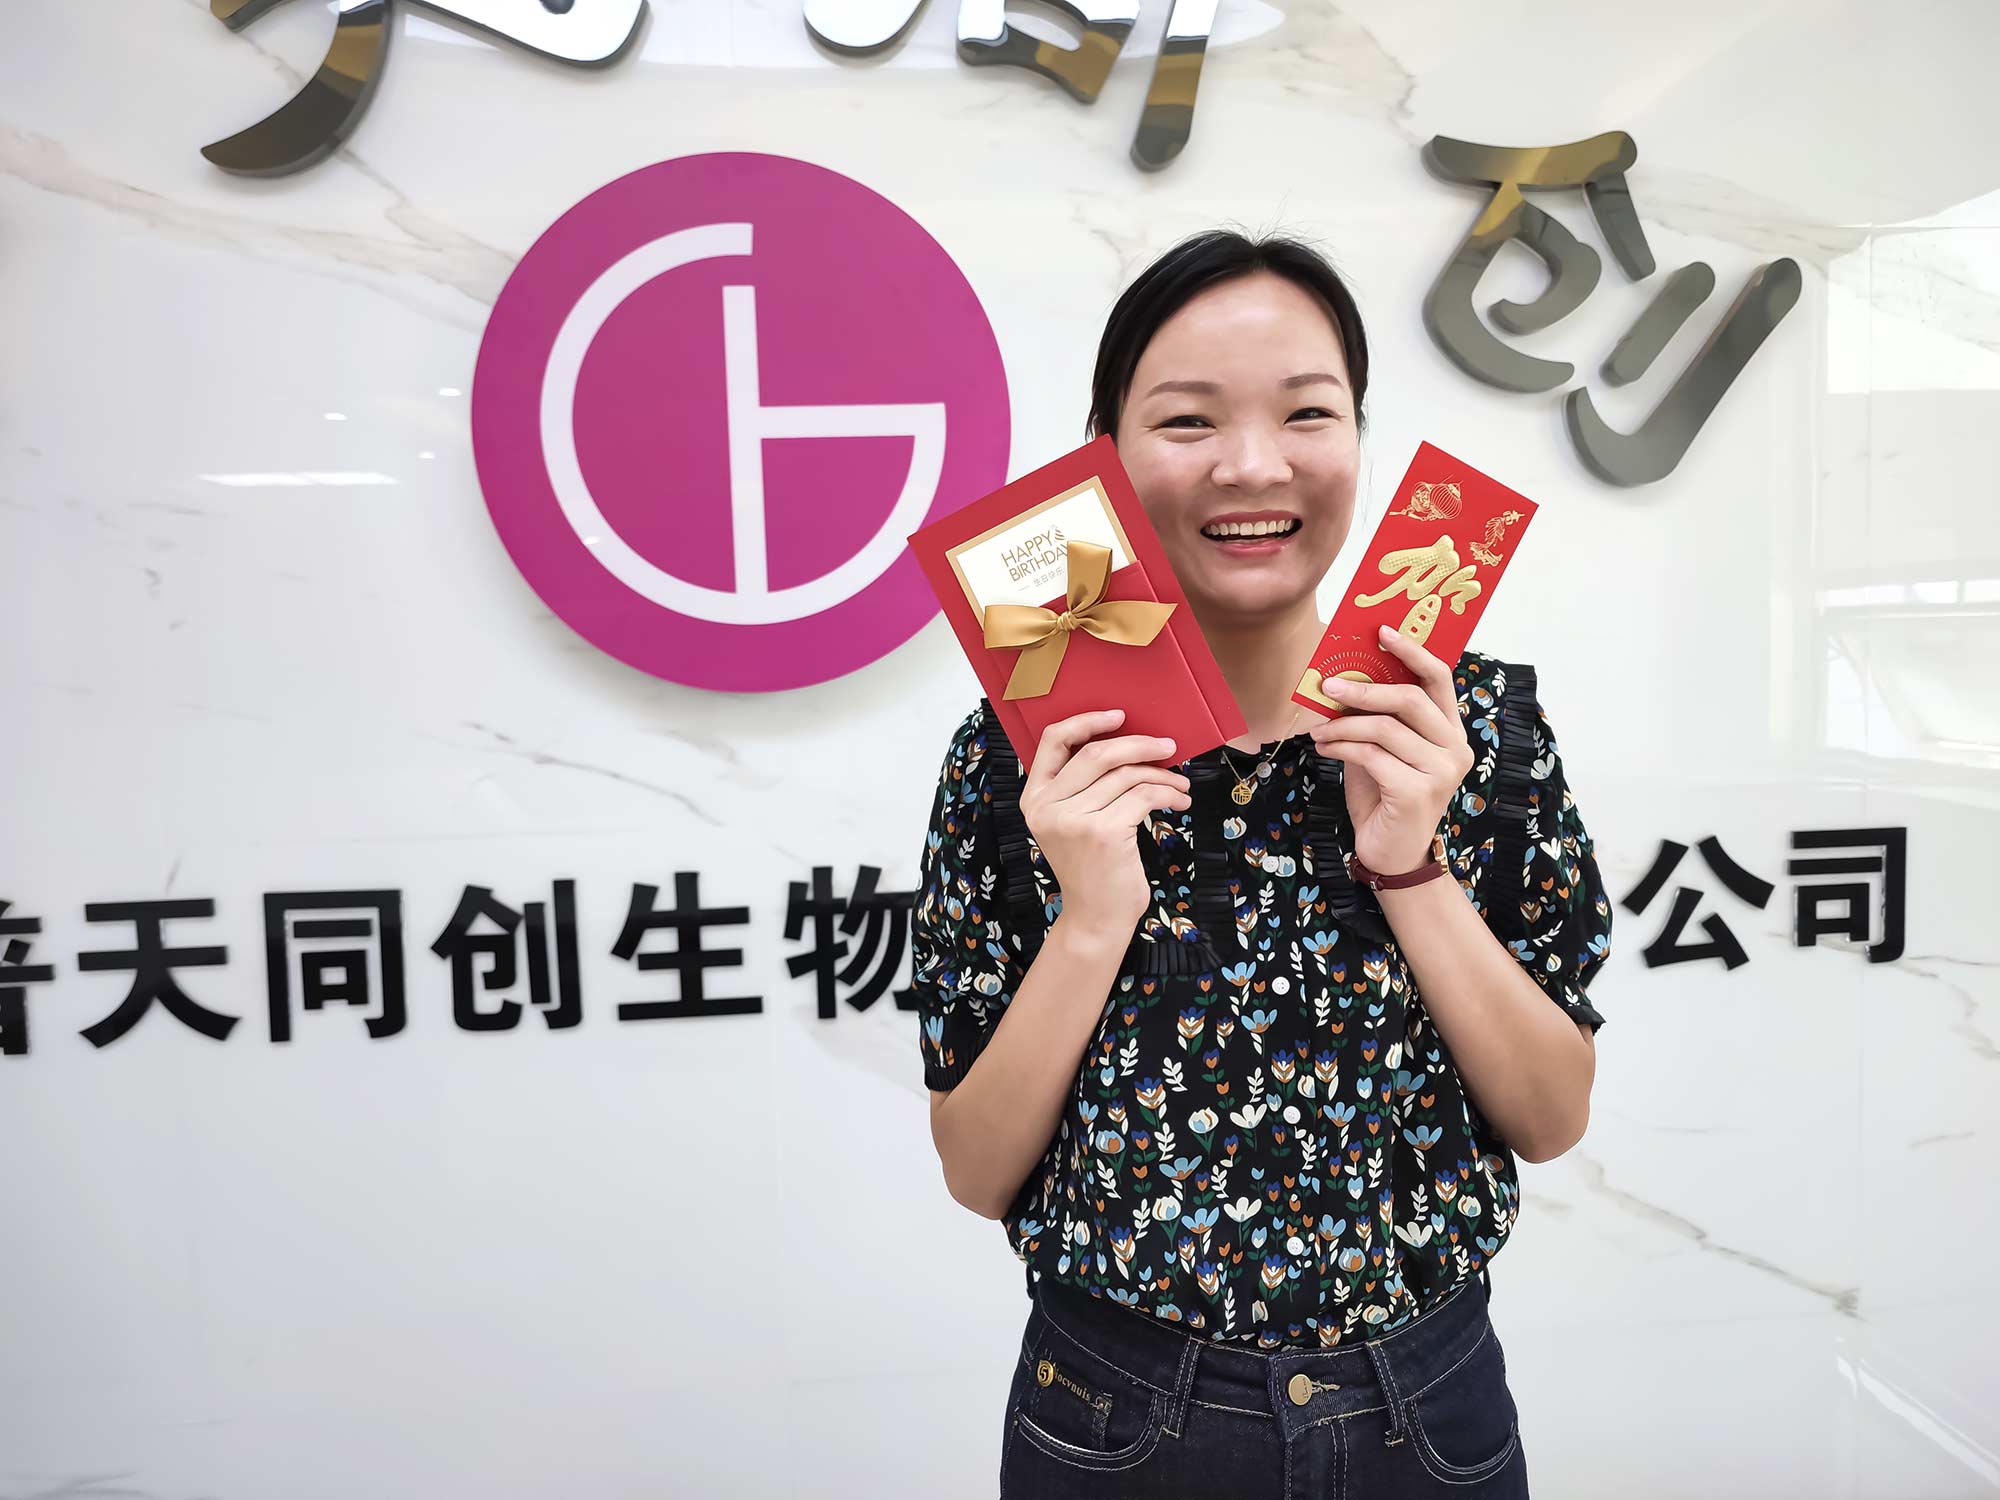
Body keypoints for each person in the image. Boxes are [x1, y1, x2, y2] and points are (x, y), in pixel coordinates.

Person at [910, 229, 1614, 1498]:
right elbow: (974, 1168)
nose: (1251, 465)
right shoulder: (1024, 756)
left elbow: (1551, 1117)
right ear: (1104, 456)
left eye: (1306, 412)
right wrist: (1092, 915)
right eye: (1186, 420)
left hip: (1427, 1412)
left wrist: (1409, 865)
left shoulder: (1471, 728)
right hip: (1116, 1416)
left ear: (1357, 435)